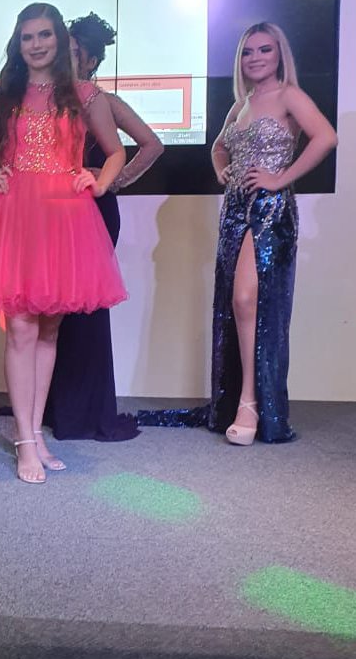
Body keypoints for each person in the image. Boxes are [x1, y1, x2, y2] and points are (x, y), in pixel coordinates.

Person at [0, 3, 127, 484]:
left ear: (59, 40)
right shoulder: (3, 95)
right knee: (22, 329)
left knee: (49, 330)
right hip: (16, 216)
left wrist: (97, 182)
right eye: (27, 37)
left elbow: (116, 153)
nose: (36, 44)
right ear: (18, 42)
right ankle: (25, 441)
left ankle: (34, 433)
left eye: (45, 35)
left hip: (66, 217)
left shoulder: (84, 94)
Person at [140, 22, 336, 444]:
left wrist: (280, 178)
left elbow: (326, 137)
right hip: (234, 209)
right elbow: (218, 147)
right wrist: (221, 170)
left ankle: (250, 401)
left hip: (269, 210)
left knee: (247, 299)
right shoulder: (240, 104)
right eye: (248, 51)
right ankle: (240, 399)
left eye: (265, 50)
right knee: (235, 305)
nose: (255, 58)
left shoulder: (289, 95)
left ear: (279, 54)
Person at [43, 13, 163, 440]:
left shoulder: (102, 100)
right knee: (53, 307)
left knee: (86, 311)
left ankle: (84, 412)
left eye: (73, 52)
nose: (63, 57)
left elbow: (152, 144)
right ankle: (56, 405)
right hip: (53, 211)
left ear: (91, 61)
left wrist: (114, 179)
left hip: (93, 210)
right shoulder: (47, 99)